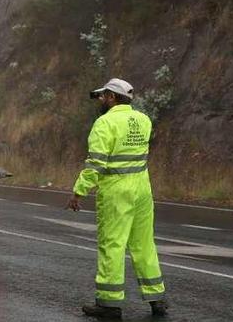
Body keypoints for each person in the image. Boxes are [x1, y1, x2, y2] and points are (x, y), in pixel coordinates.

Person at [66, 78, 168, 319]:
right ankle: (157, 299)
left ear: (112, 97)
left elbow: (96, 164)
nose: (100, 101)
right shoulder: (143, 120)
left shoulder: (105, 123)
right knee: (144, 245)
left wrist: (79, 191)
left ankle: (109, 304)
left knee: (112, 244)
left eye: (103, 96)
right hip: (142, 189)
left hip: (116, 191)